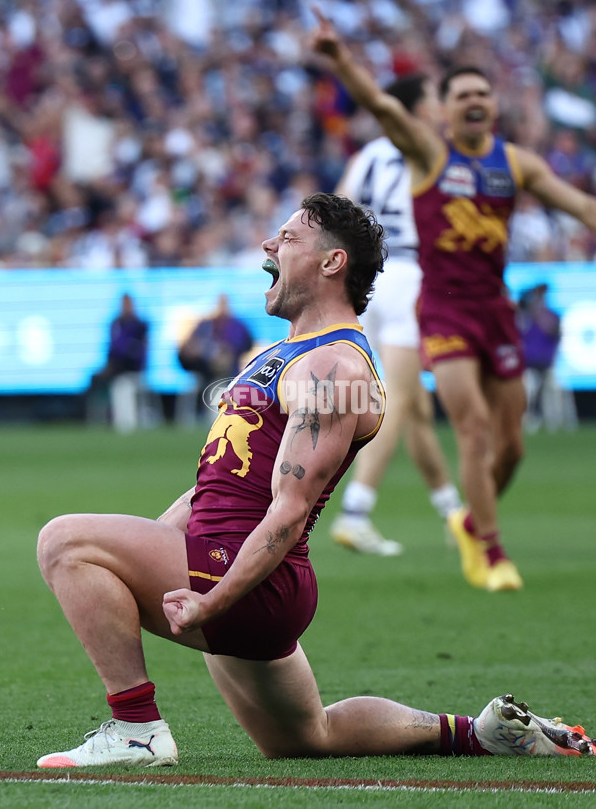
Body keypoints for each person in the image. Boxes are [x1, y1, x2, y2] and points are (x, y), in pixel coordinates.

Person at [36, 193, 594, 768]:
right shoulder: (286, 351)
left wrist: (214, 598)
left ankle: (136, 730)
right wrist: (149, 553)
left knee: (63, 540)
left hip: (241, 572)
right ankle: (478, 733)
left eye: (289, 238)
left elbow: (289, 509)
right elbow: (218, 484)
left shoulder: (335, 366)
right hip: (237, 569)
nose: (268, 245)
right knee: (306, 739)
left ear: (332, 263)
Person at [309, 9, 596, 592]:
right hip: (438, 303)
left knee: (511, 443)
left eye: (481, 94)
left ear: (493, 105)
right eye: (461, 93)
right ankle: (490, 551)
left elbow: (583, 208)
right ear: (446, 107)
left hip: (495, 308)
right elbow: (386, 109)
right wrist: (341, 60)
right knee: (469, 424)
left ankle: (466, 514)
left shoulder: (516, 163)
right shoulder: (430, 154)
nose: (472, 101)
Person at [329, 74, 462, 557]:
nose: (438, 109)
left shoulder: (367, 155)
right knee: (400, 398)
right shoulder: (431, 150)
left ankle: (454, 513)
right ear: (413, 109)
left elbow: (337, 209)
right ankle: (356, 511)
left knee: (417, 409)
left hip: (369, 278)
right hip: (410, 275)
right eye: (432, 100)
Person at [177, 293, 253, 419]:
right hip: (204, 371)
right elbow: (189, 346)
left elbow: (246, 345)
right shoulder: (206, 324)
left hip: (229, 373)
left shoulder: (237, 326)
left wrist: (227, 353)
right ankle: (198, 416)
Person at [517, 284, 577, 433]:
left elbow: (556, 333)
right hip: (529, 363)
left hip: (548, 362)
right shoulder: (524, 318)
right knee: (528, 393)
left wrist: (540, 316)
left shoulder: (552, 316)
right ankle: (526, 422)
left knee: (554, 392)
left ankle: (555, 423)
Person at [86, 292, 149, 434]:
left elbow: (138, 352)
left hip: (132, 368)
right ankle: (95, 419)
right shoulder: (116, 323)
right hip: (116, 367)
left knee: (122, 387)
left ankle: (125, 424)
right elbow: (113, 348)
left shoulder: (140, 325)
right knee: (96, 380)